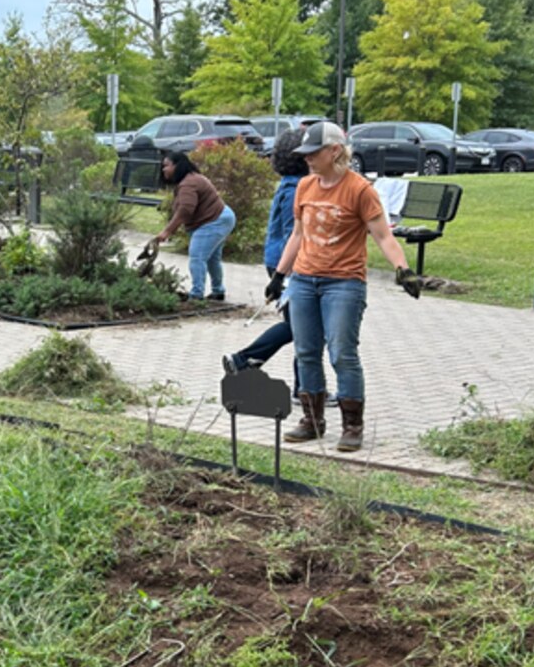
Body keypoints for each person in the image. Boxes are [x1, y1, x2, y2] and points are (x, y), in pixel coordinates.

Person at [269, 121, 420, 452]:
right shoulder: (305, 187)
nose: (306, 158)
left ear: (334, 151)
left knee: (342, 353)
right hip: (305, 281)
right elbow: (298, 234)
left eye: (313, 152)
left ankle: (352, 426)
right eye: (304, 153)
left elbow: (382, 235)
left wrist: (403, 269)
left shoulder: (360, 190)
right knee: (306, 352)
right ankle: (312, 420)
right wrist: (280, 276)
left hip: (344, 284)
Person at [221, 129, 337, 405]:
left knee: (300, 327)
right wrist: (289, 271)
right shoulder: (300, 188)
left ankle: (301, 386)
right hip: (290, 263)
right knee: (303, 327)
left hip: (279, 261)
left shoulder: (289, 183)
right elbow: (292, 233)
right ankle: (249, 360)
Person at [152, 151, 236, 301]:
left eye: (166, 166)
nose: (163, 169)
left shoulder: (188, 183)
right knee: (212, 259)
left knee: (197, 257)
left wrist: (167, 231)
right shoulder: (190, 180)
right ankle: (218, 291)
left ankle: (196, 294)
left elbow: (185, 210)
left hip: (214, 221)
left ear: (177, 166)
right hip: (221, 217)